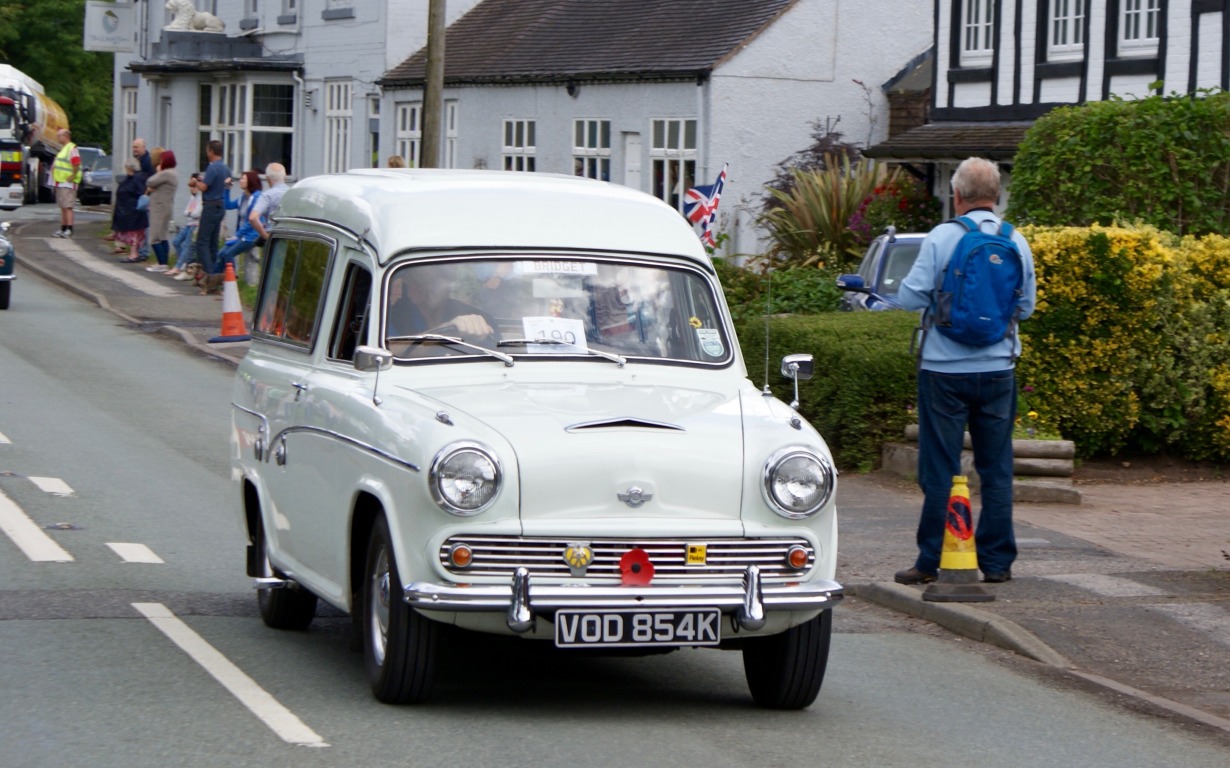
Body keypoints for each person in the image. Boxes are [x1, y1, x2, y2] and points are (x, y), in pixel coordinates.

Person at [892, 157, 1037, 586]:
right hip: (998, 371)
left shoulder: (941, 237)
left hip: (943, 371)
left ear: (956, 195)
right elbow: (1025, 308)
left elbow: (908, 297)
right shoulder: (1017, 241)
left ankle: (931, 559)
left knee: (940, 467)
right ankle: (997, 563)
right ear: (997, 195)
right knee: (996, 468)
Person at [387, 264, 495, 340]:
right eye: (415, 281)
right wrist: (447, 331)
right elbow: (389, 352)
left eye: (431, 282)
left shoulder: (477, 317)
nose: (422, 288)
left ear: (448, 285)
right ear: (406, 281)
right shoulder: (393, 317)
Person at [202, 169, 263, 294]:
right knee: (221, 254)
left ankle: (231, 283)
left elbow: (251, 221)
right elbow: (228, 205)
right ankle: (213, 283)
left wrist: (237, 236)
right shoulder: (243, 198)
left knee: (228, 254)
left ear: (250, 181)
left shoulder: (256, 198)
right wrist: (227, 189)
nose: (240, 180)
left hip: (251, 236)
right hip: (241, 235)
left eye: (243, 179)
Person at [195, 139, 232, 278]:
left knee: (202, 241)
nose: (206, 153)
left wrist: (197, 182)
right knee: (213, 241)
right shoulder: (225, 168)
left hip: (210, 204)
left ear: (211, 151)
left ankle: (210, 275)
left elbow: (205, 186)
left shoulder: (213, 167)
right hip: (221, 204)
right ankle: (215, 271)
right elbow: (228, 184)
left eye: (207, 150)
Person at [143, 149, 179, 273]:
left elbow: (150, 181)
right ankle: (162, 262)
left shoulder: (166, 173)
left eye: (162, 160)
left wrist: (158, 171)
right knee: (163, 236)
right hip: (166, 207)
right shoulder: (173, 173)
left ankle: (162, 263)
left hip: (159, 207)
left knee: (154, 237)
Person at [113, 159, 150, 263]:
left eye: (126, 168)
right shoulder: (137, 178)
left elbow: (138, 193)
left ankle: (134, 254)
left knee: (133, 234)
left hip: (132, 211)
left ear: (130, 168)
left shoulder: (135, 179)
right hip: (131, 211)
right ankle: (134, 253)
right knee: (134, 233)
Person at [167, 173, 202, 279]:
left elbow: (197, 213)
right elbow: (186, 211)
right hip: (188, 224)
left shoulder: (201, 198)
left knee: (188, 245)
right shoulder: (192, 198)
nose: (193, 189)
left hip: (195, 225)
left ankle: (180, 266)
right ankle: (185, 263)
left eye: (195, 186)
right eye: (191, 187)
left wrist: (190, 213)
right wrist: (190, 212)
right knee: (176, 242)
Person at [50, 128, 82, 238]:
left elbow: (76, 163)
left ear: (66, 136)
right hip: (61, 182)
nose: (58, 138)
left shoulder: (71, 148)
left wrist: (72, 176)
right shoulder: (64, 149)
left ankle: (69, 229)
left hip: (67, 183)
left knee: (67, 206)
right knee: (63, 207)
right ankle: (63, 228)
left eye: (59, 136)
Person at [248, 162, 289, 244]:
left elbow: (253, 218)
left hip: (274, 236)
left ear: (267, 178)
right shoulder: (292, 193)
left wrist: (265, 236)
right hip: (291, 235)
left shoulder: (268, 195)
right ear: (285, 177)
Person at [132, 139, 156, 260]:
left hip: (146, 198)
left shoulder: (147, 161)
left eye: (137, 147)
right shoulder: (139, 160)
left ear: (143, 147)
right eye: (133, 147)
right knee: (140, 225)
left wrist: (146, 194)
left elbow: (152, 180)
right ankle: (141, 250)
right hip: (140, 196)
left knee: (144, 225)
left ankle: (144, 252)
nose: (134, 150)